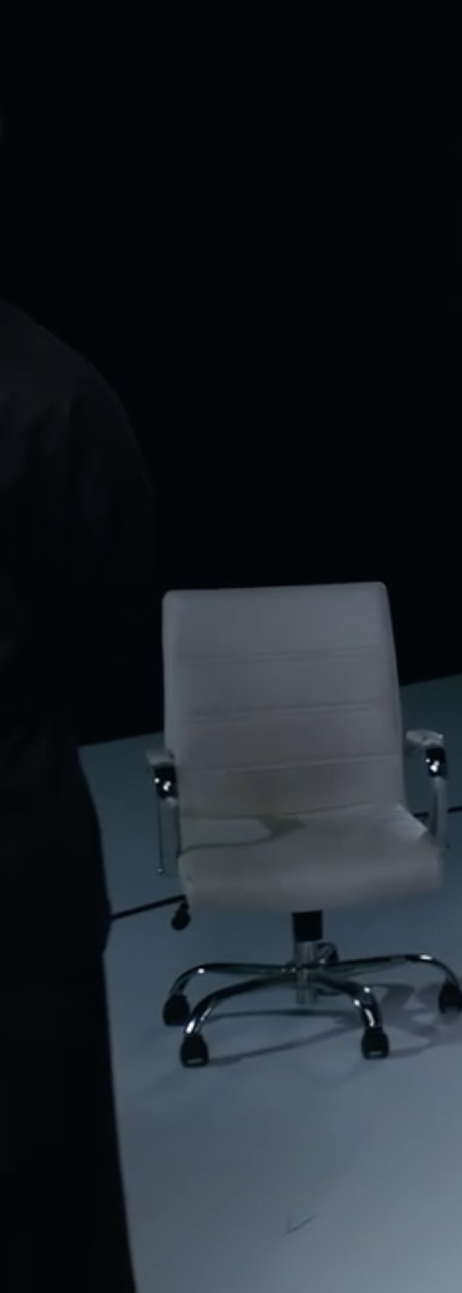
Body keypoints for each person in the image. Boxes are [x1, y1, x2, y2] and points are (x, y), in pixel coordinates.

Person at [0, 291, 154, 1290]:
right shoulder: (52, 391)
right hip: (20, 852)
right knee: (47, 1199)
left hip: (23, 863)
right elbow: (109, 633)